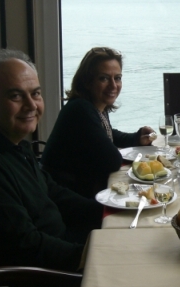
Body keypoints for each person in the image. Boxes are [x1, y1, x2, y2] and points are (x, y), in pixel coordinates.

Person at [0, 49, 104, 272]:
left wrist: (107, 211)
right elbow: (24, 245)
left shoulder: (11, 142)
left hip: (56, 243)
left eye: (35, 94)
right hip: (29, 277)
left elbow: (52, 191)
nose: (31, 105)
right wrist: (96, 257)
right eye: (16, 96)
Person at [41, 47, 156, 198]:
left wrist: (136, 137)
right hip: (68, 199)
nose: (113, 85)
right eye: (104, 78)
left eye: (117, 78)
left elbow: (105, 133)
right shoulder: (80, 109)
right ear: (87, 81)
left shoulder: (95, 106)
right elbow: (113, 160)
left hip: (81, 190)